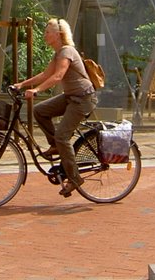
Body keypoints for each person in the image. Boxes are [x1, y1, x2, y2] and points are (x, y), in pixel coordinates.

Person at [11, 17, 97, 196]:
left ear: (58, 35)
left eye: (47, 32)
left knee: (62, 136)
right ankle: (56, 146)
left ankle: (75, 178)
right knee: (40, 110)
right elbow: (45, 74)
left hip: (82, 99)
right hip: (70, 96)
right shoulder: (58, 53)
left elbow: (58, 76)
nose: (45, 35)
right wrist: (22, 85)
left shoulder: (67, 51)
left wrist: (36, 91)